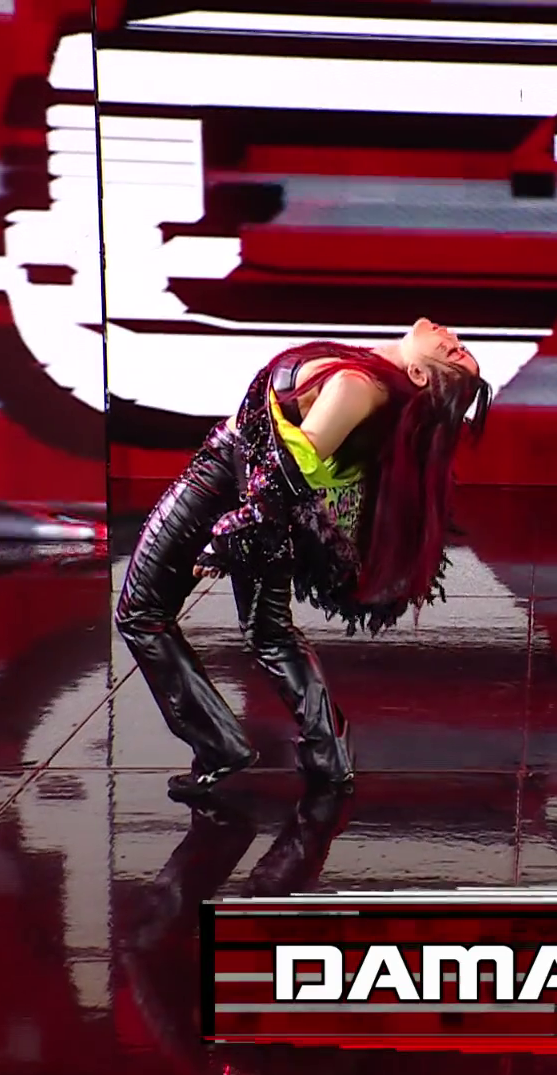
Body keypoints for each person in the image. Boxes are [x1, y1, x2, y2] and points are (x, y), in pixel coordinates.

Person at [116, 319, 490, 801]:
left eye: (454, 352)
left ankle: (221, 745)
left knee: (141, 613)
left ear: (419, 374)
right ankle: (326, 751)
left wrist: (232, 532)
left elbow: (289, 470)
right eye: (459, 346)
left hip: (233, 483)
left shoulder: (356, 388)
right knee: (268, 632)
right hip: (258, 496)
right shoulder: (375, 379)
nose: (452, 337)